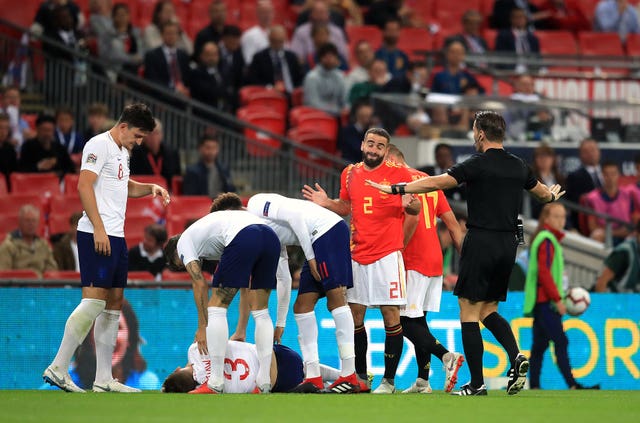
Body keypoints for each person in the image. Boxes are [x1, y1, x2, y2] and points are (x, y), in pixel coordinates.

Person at [365, 111, 564, 396]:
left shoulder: (476, 164)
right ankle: (516, 355)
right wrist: (553, 196)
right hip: (508, 245)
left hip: (481, 241)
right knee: (489, 310)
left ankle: (477, 384)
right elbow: (543, 194)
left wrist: (397, 188)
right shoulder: (519, 165)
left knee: (468, 313)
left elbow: (436, 183)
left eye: (474, 131)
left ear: (480, 134)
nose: (473, 135)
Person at [43, 103, 169, 394]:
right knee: (95, 302)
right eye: (137, 136)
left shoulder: (123, 151)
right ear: (123, 126)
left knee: (113, 304)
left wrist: (150, 187)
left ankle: (103, 378)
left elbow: (124, 186)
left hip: (117, 236)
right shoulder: (97, 144)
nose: (139, 143)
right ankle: (59, 367)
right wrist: (99, 228)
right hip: (95, 234)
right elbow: (84, 186)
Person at [302, 127, 421, 394]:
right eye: (371, 143)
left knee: (391, 315)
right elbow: (346, 207)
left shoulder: (399, 174)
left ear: (386, 149)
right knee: (355, 316)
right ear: (362, 145)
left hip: (388, 255)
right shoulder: (350, 173)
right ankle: (360, 379)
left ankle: (389, 382)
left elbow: (416, 207)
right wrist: (326, 202)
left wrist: (408, 204)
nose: (374, 149)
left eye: (380, 146)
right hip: (356, 254)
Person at [243, 193, 358, 394]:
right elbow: (284, 278)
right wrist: (280, 323)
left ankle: (349, 375)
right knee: (302, 306)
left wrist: (311, 257)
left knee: (336, 299)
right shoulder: (265, 238)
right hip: (315, 240)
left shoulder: (255, 204)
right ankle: (313, 376)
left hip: (327, 231)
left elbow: (295, 216)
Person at [162, 208, 280, 394]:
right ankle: (264, 382)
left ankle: (215, 382)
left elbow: (199, 284)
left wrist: (202, 328)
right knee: (261, 311)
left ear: (176, 256)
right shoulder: (214, 241)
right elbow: (245, 285)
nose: (185, 267)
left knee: (216, 307)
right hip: (271, 237)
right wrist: (241, 329)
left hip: (244, 236)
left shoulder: (184, 243)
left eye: (181, 265)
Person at [386, 145, 465, 394]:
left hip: (413, 259)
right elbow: (452, 224)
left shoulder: (396, 183)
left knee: (403, 322)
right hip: (434, 260)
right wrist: (467, 260)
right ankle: (423, 380)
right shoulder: (429, 180)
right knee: (419, 321)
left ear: (391, 159)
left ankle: (447, 356)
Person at [524, 202, 601, 390]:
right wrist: (557, 299)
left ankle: (533, 385)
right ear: (547, 219)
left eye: (564, 216)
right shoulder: (547, 240)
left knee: (540, 346)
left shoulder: (545, 239)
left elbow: (546, 273)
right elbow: (544, 273)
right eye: (557, 216)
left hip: (542, 301)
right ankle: (572, 384)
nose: (562, 220)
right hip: (547, 302)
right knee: (560, 341)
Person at [162, 340, 342, 393]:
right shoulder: (195, 350)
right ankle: (344, 375)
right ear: (177, 369)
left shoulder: (212, 390)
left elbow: (195, 375)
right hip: (279, 356)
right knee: (304, 368)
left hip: (281, 384)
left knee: (302, 376)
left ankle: (328, 388)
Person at [62, 299, 161, 390]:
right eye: (102, 327)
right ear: (89, 339)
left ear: (129, 339)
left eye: (118, 327)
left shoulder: (149, 383)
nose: (109, 338)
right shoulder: (63, 384)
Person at [0, 204, 58, 276]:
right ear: (20, 222)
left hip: (41, 285)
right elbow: (4, 274)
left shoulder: (44, 245)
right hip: (18, 285)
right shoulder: (8, 246)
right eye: (27, 220)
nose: (31, 224)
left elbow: (52, 270)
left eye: (34, 221)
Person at [129, 118, 181, 188]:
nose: (153, 137)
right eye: (150, 133)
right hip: (144, 193)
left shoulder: (171, 154)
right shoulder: (135, 154)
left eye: (156, 133)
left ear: (161, 135)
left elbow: (176, 178)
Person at [595, 220, 640, 293]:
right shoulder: (624, 252)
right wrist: (603, 303)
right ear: (637, 233)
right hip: (612, 300)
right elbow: (602, 282)